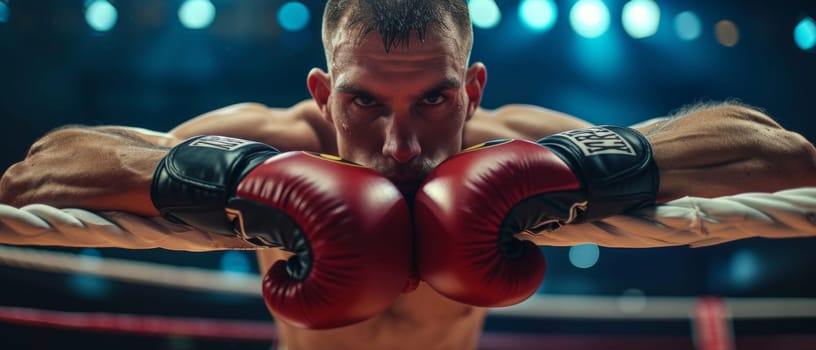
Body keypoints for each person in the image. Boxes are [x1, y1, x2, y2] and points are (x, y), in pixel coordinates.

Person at [1, 0, 815, 349]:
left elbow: (776, 152)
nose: (400, 143)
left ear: (474, 88)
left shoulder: (510, 146)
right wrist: (235, 178)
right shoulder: (270, 140)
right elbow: (39, 173)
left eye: (433, 100)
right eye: (363, 104)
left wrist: (578, 165)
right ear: (323, 92)